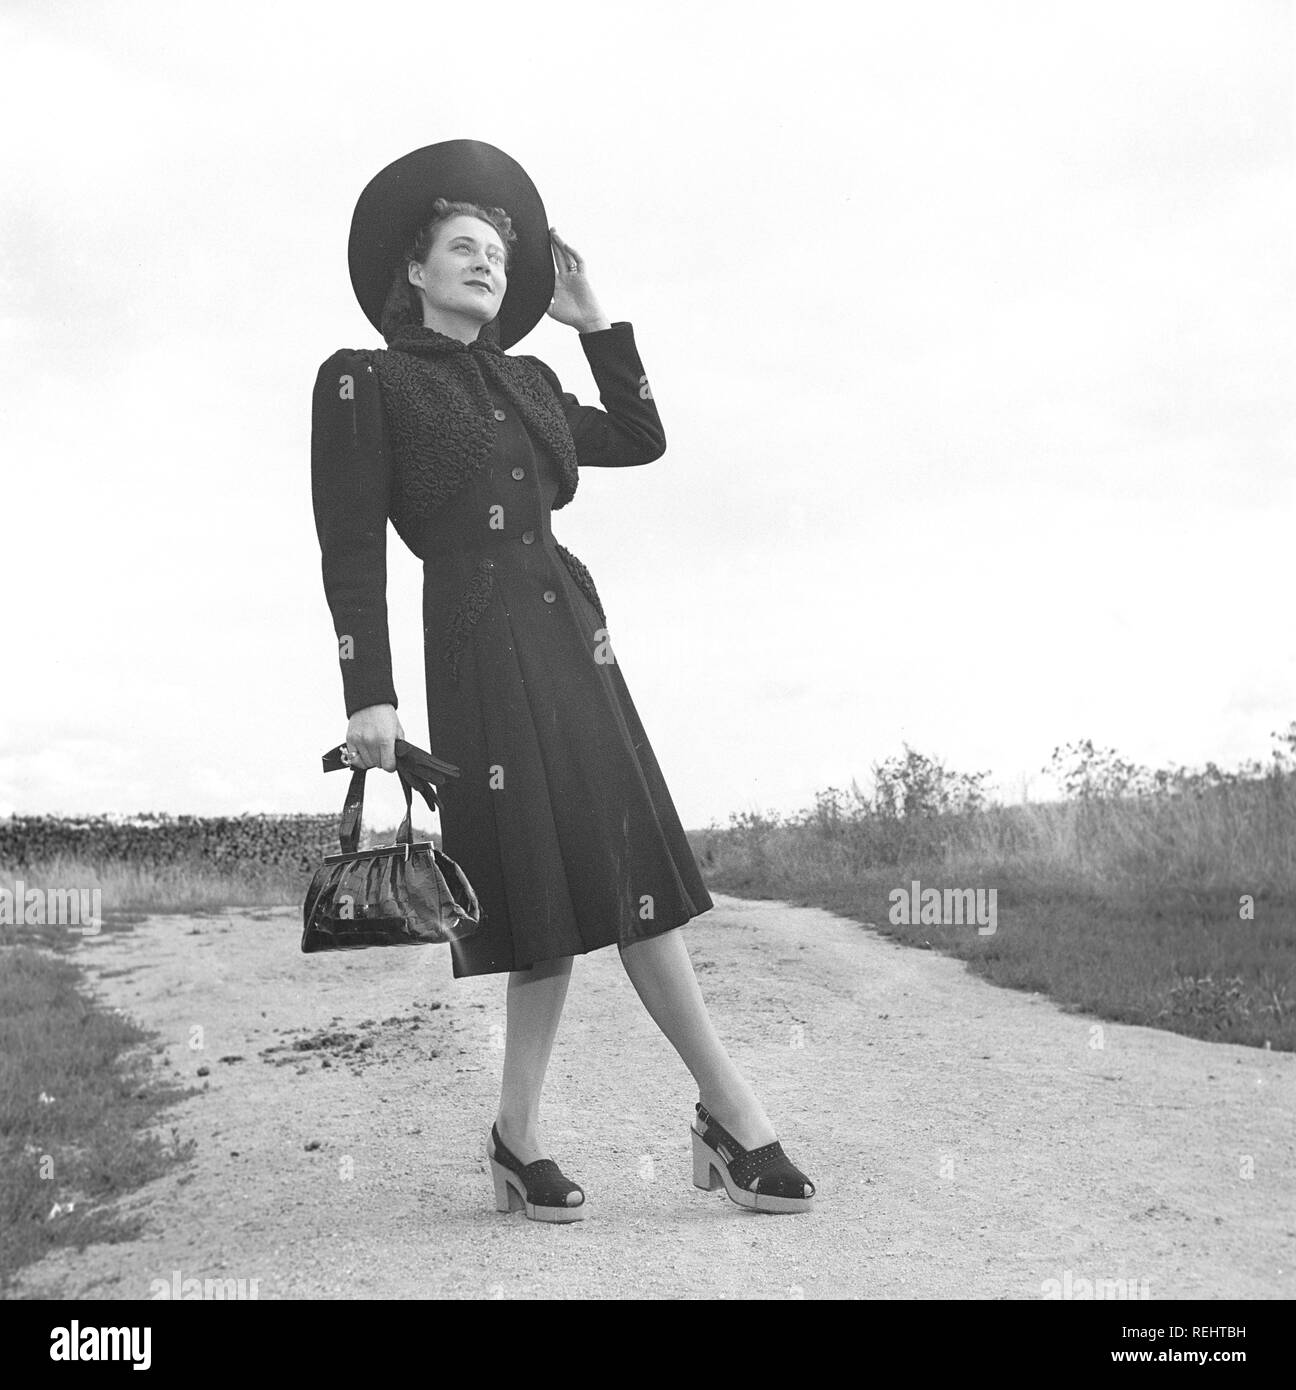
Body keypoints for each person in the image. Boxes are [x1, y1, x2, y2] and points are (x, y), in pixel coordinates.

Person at [311, 140, 815, 1220]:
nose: (486, 263)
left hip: (574, 634)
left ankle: (596, 1128)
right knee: (539, 888)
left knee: (624, 870)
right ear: (415, 270)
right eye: (463, 247)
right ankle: (701, 1122)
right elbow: (351, 546)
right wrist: (370, 694)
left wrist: (596, 326)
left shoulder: (533, 382)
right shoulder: (365, 380)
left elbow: (640, 435)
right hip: (476, 641)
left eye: (498, 252)